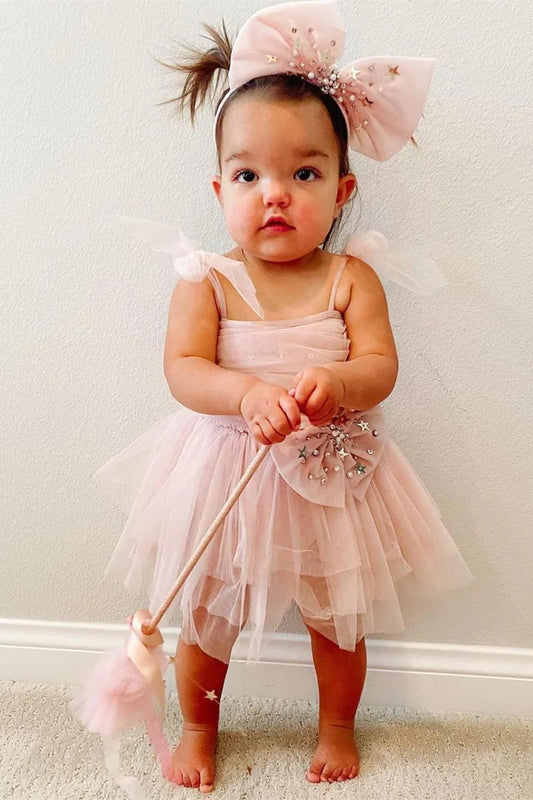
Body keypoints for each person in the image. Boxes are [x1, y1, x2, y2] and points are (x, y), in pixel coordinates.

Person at [95, 0, 472, 792]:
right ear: (219, 188)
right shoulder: (207, 280)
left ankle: (336, 725)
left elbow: (381, 366)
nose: (275, 194)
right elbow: (183, 369)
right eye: (249, 175)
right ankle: (200, 727)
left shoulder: (350, 277)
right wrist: (241, 394)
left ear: (341, 189)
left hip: (330, 479)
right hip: (225, 473)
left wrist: (338, 383)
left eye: (303, 174)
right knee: (207, 616)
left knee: (339, 617)